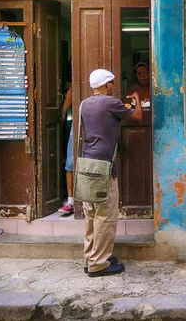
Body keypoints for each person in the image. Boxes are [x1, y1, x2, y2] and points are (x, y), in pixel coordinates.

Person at [80, 69, 142, 277]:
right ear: (106, 85)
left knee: (91, 214)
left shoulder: (84, 104)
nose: (113, 86)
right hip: (104, 165)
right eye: (112, 83)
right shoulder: (110, 102)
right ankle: (99, 264)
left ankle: (91, 258)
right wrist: (136, 99)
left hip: (88, 163)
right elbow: (137, 116)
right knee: (105, 215)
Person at [59, 85, 74, 214]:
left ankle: (73, 201)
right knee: (70, 163)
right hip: (76, 124)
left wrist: (62, 113)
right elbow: (71, 90)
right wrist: (63, 114)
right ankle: (71, 201)